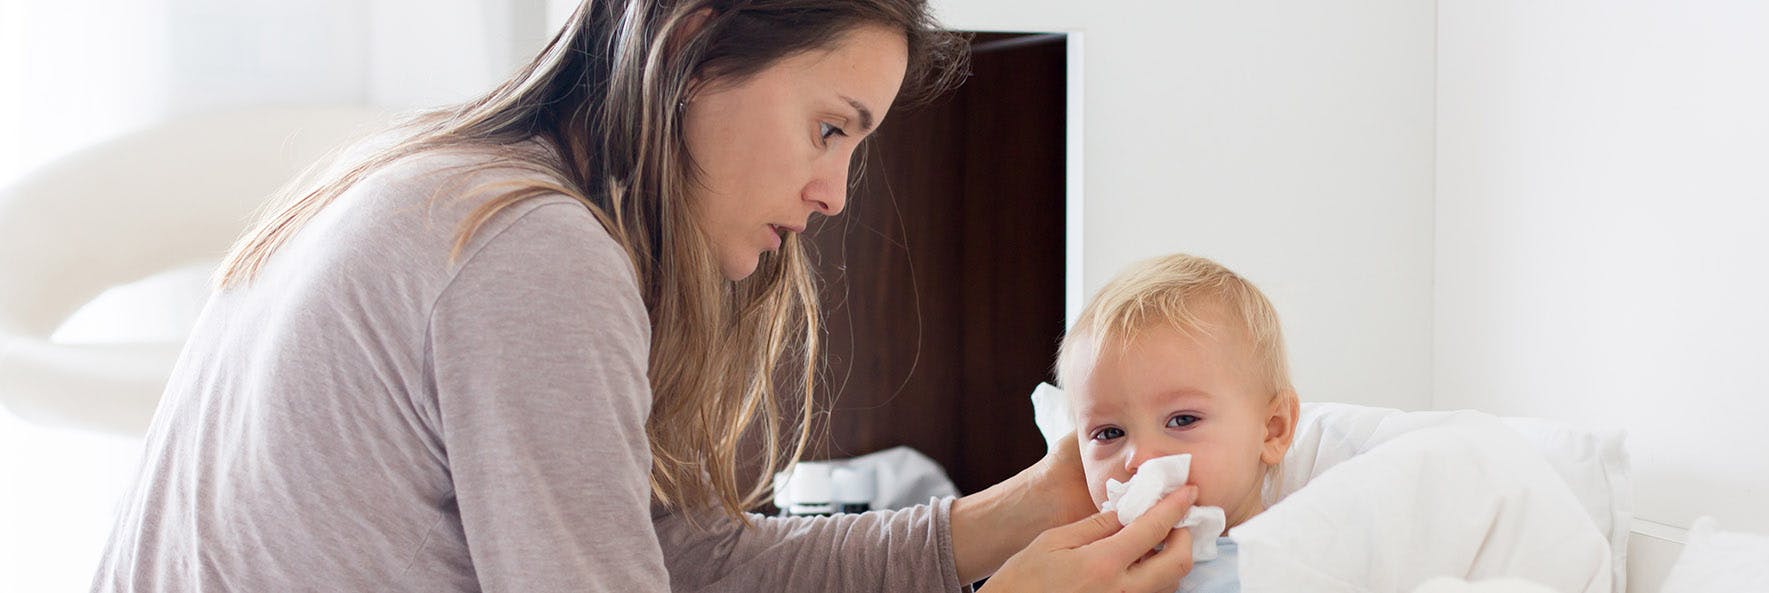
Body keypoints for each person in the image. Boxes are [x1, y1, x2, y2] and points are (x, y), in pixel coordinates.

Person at [89, 1, 1198, 592]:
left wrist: (1003, 520)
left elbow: (678, 559)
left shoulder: (443, 187)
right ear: (694, 39)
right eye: (829, 128)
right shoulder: (531, 251)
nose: (833, 193)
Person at [1053, 254, 1305, 593]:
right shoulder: (1081, 573)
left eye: (1182, 420)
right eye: (1110, 433)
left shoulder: (1298, 566)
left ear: (1273, 429)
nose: (1139, 459)